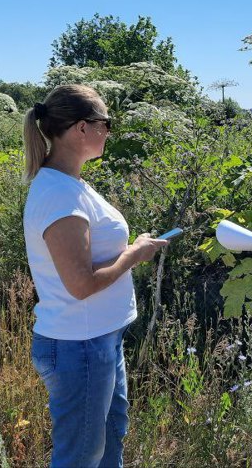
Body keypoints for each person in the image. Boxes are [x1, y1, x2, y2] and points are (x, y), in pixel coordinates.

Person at [22, 84, 169, 468]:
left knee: (108, 439)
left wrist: (132, 247)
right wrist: (135, 255)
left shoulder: (71, 185)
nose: (109, 131)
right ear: (80, 128)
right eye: (106, 122)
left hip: (97, 340)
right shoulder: (59, 195)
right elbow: (82, 285)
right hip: (79, 345)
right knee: (80, 456)